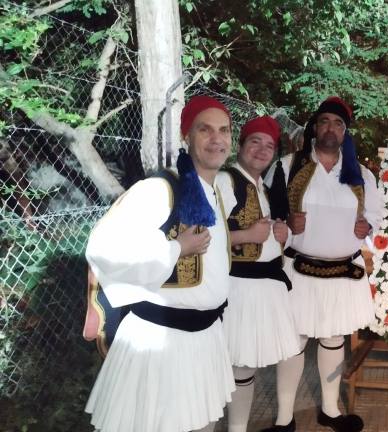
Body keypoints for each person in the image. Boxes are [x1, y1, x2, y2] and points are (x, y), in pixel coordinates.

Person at [84, 95, 236, 432]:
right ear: (186, 136)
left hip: (205, 338)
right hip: (161, 342)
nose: (217, 139)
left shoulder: (216, 191)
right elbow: (104, 248)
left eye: (224, 130)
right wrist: (176, 249)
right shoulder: (158, 189)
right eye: (205, 129)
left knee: (202, 423)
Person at [264, 96, 383, 432]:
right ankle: (284, 419)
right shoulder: (287, 167)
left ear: (345, 132)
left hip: (345, 271)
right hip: (300, 270)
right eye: (325, 121)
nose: (331, 128)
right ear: (315, 128)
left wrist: (368, 228)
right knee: (294, 341)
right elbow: (269, 215)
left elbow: (376, 216)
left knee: (333, 338)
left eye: (338, 123)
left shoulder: (361, 175)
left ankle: (330, 410)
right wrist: (287, 224)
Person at [216, 116, 301, 432]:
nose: (262, 150)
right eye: (255, 142)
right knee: (236, 366)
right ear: (240, 145)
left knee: (245, 367)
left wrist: (283, 234)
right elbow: (202, 237)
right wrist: (245, 235)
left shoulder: (263, 187)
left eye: (269, 145)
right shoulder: (225, 181)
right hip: (238, 287)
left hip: (264, 287)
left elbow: (270, 236)